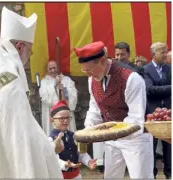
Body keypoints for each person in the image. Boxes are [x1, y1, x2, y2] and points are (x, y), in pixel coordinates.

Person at [0, 7, 63, 179]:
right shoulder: (9, 82)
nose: (28, 57)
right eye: (30, 52)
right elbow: (23, 141)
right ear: (20, 47)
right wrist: (51, 148)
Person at [74, 41, 154, 179]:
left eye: (90, 70)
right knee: (111, 177)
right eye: (84, 70)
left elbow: (135, 118)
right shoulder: (92, 79)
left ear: (103, 61)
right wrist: (87, 131)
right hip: (112, 138)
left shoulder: (131, 78)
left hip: (136, 139)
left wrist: (107, 132)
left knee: (141, 177)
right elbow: (95, 107)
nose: (88, 74)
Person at [49, 100, 97, 179]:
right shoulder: (51, 139)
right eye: (61, 118)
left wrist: (89, 162)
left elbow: (81, 153)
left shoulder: (74, 136)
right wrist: (65, 164)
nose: (65, 121)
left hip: (76, 176)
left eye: (68, 118)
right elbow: (53, 159)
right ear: (52, 120)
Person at [144, 42, 171, 179]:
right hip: (152, 115)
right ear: (153, 54)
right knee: (151, 147)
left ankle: (170, 174)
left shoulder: (169, 68)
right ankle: (152, 175)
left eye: (166, 52)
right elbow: (149, 90)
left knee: (169, 147)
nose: (166, 55)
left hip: (168, 114)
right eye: (162, 52)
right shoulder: (145, 70)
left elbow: (156, 90)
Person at [40, 60, 77, 135]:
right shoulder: (44, 82)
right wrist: (54, 86)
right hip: (52, 115)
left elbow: (73, 96)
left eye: (54, 68)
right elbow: (45, 98)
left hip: (66, 113)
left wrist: (64, 91)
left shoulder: (67, 80)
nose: (53, 70)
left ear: (58, 68)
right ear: (47, 69)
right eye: (50, 68)